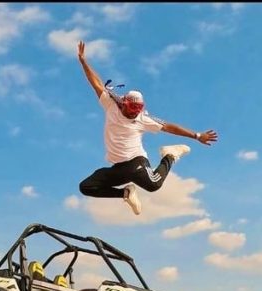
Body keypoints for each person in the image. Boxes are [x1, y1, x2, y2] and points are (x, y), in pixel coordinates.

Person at [76, 40, 218, 215]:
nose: (133, 114)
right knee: (87, 187)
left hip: (136, 162)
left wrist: (196, 135)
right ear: (124, 104)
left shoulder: (143, 118)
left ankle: (170, 155)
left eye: (137, 111)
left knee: (153, 185)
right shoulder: (110, 105)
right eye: (131, 110)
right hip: (117, 168)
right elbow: (96, 83)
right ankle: (125, 192)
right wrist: (84, 61)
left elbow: (168, 127)